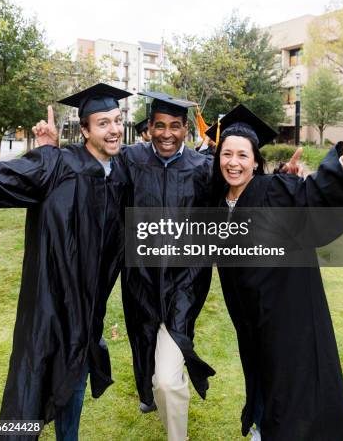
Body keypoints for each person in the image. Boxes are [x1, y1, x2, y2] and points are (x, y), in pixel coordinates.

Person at [0, 83, 131, 441]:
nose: (114, 129)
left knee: (74, 382)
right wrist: (46, 152)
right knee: (33, 379)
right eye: (103, 123)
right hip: (48, 305)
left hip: (88, 308)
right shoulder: (55, 164)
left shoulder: (121, 174)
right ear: (85, 130)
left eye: (117, 121)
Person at [206, 104, 343, 441]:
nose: (233, 162)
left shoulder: (275, 191)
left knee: (298, 392)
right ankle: (262, 428)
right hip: (252, 321)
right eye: (226, 154)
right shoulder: (219, 204)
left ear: (255, 161)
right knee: (264, 382)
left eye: (242, 155)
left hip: (290, 316)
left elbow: (314, 199)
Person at [121, 91, 215, 441]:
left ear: (186, 129)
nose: (166, 133)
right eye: (159, 126)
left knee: (166, 377)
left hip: (184, 283)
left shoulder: (203, 168)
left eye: (175, 126)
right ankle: (153, 390)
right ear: (148, 128)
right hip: (140, 281)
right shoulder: (130, 160)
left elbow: (236, 197)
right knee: (144, 347)